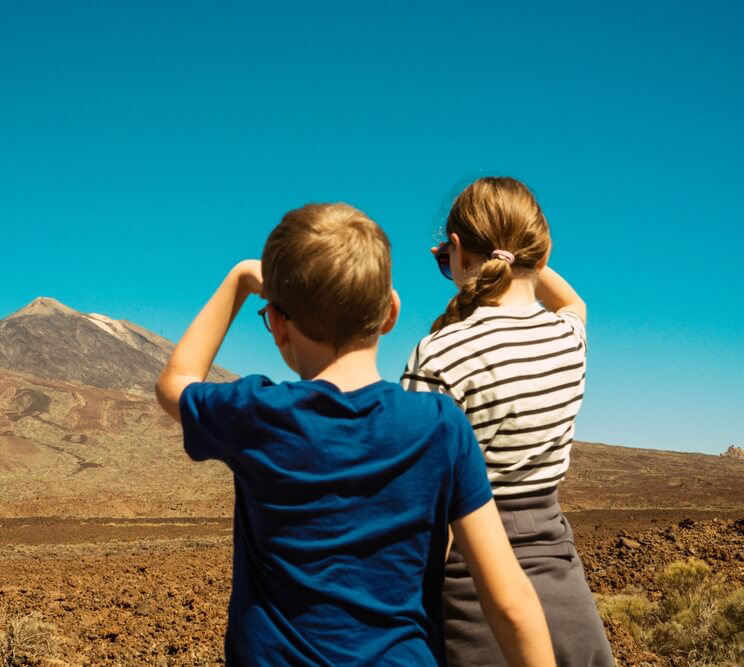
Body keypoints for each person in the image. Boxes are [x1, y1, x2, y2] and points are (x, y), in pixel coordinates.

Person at [156, 202, 555, 666]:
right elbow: (509, 602)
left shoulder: (257, 415)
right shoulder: (441, 426)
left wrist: (242, 278)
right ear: (390, 313)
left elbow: (174, 383)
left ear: (279, 327)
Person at [401, 177, 614, 666]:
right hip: (563, 588)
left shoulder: (438, 354)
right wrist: (518, 257)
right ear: (540, 251)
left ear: (455, 249)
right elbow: (573, 303)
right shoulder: (567, 339)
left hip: (469, 593)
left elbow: (426, 502)